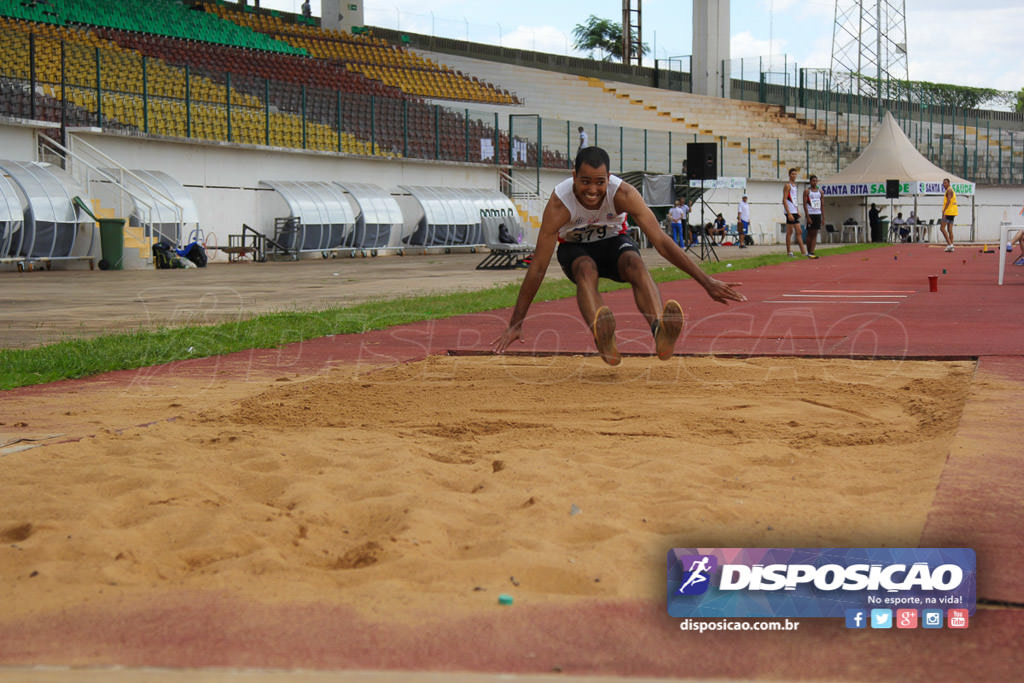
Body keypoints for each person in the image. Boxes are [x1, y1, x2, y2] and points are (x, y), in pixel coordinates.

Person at [492, 146, 746, 366]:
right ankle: (603, 336)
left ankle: (660, 330)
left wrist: (707, 282)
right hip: (575, 249)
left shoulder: (623, 193)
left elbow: (661, 241)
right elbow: (538, 266)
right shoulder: (560, 203)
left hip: (614, 242)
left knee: (634, 262)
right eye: (585, 182)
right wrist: (516, 321)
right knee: (585, 270)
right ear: (574, 177)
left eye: (599, 182)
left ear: (609, 178)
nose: (592, 190)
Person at [782, 168, 806, 257]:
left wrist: (797, 210)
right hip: (789, 211)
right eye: (792, 174)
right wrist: (789, 213)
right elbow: (784, 200)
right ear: (789, 175)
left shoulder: (795, 186)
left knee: (799, 231)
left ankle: (803, 252)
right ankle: (789, 252)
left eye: (795, 174)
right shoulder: (787, 186)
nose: (794, 176)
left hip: (794, 210)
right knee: (790, 232)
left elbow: (794, 199)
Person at [802, 174, 823, 259]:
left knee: (815, 233)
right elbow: (804, 204)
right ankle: (808, 251)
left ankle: (812, 252)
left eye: (816, 181)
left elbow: (822, 205)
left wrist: (823, 216)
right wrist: (807, 216)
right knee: (810, 233)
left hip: (818, 214)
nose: (814, 182)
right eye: (813, 181)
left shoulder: (820, 192)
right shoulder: (807, 191)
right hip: (810, 214)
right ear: (810, 182)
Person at [940, 178, 958, 252]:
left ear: (949, 183)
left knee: (942, 228)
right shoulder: (950, 190)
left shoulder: (949, 190)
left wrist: (944, 211)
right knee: (949, 229)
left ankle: (950, 244)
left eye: (945, 183)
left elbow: (948, 201)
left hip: (948, 212)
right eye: (943, 183)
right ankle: (952, 246)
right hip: (953, 212)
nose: (944, 184)